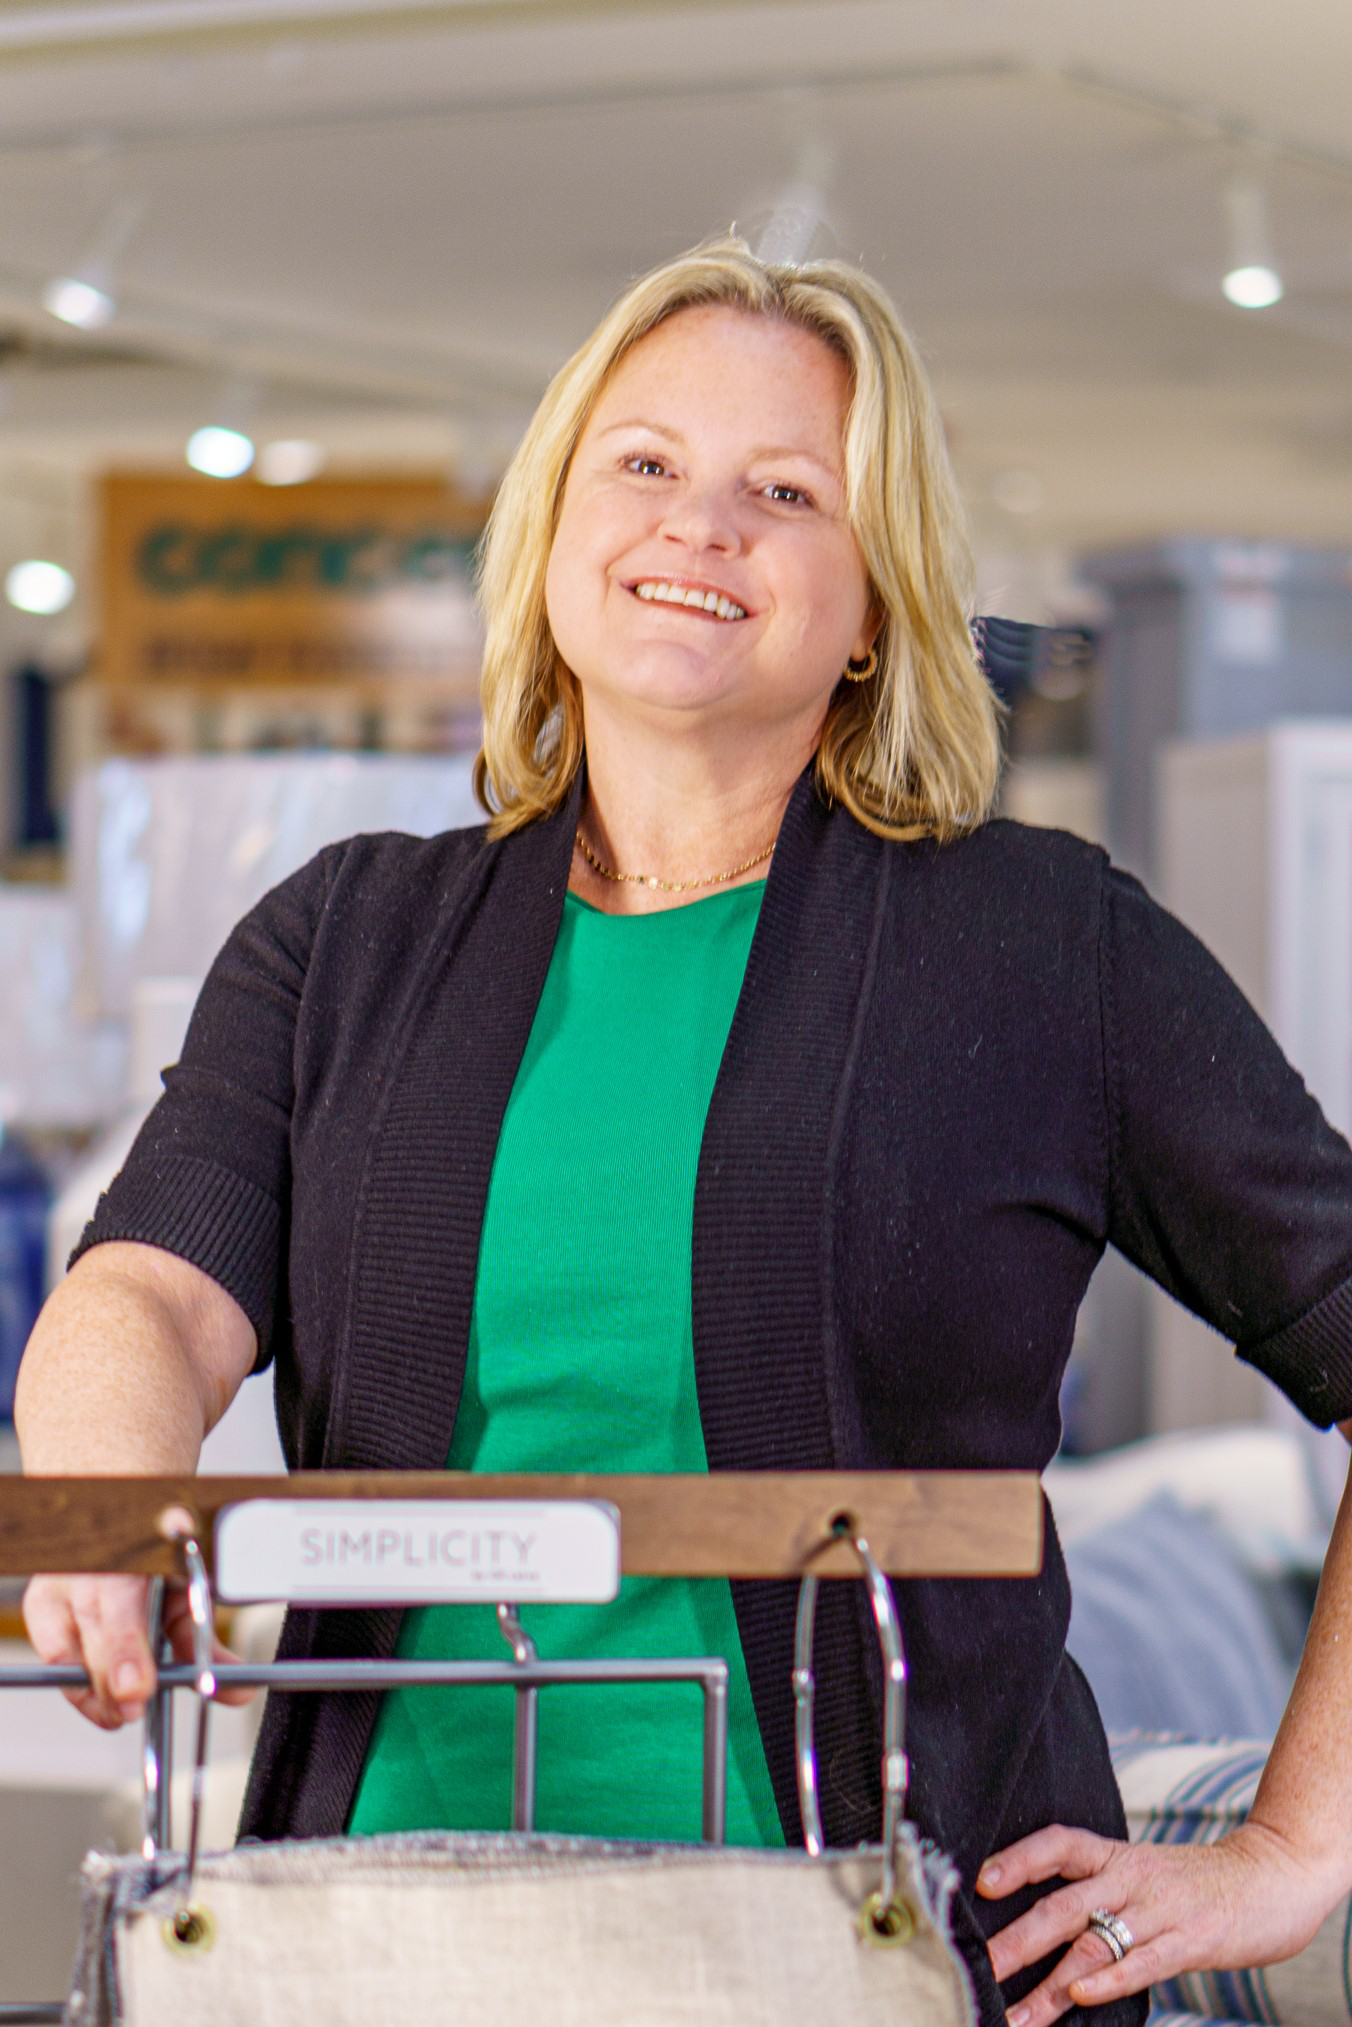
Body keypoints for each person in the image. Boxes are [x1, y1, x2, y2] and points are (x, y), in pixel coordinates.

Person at [15, 237, 1352, 2027]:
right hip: (372, 1951)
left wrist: (1296, 1849)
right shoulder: (347, 938)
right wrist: (100, 1509)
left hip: (901, 1964)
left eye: (786, 491)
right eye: (643, 464)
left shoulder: (1046, 944)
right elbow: (151, 1294)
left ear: (875, 602)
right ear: (557, 526)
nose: (698, 526)